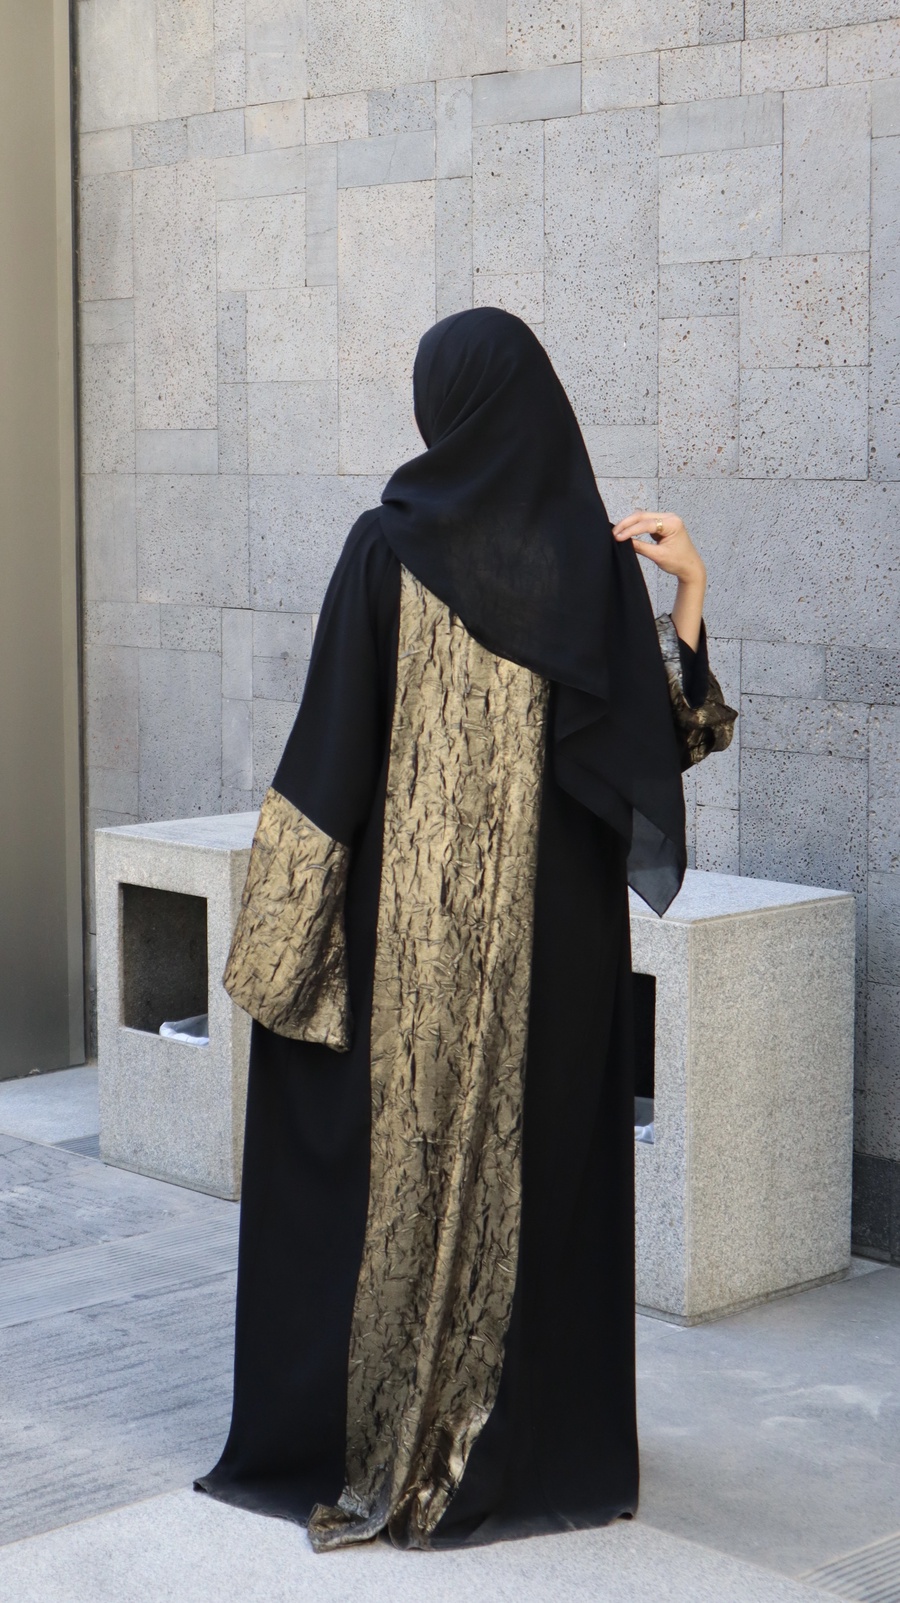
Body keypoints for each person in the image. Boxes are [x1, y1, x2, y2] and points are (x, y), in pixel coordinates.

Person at [195, 307, 736, 1551]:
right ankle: (512, 1444)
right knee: (535, 1189)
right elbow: (658, 748)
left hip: (407, 946)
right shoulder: (591, 568)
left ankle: (384, 1433)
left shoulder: (386, 550)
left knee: (382, 1175)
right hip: (560, 961)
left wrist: (283, 952)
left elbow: (328, 758)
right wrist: (689, 592)